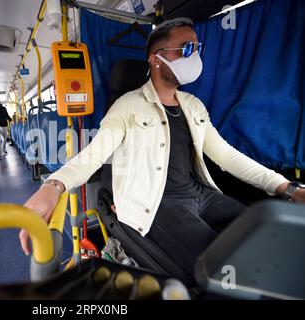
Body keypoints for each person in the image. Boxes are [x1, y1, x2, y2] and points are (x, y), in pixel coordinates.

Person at [18, 18, 305, 274]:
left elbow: (226, 155)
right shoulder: (127, 106)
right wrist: (52, 186)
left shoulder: (193, 106)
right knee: (226, 268)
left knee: (266, 236)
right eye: (186, 49)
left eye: (197, 48)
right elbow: (93, 155)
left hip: (201, 196)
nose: (195, 57)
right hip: (156, 206)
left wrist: (285, 187)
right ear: (156, 59)